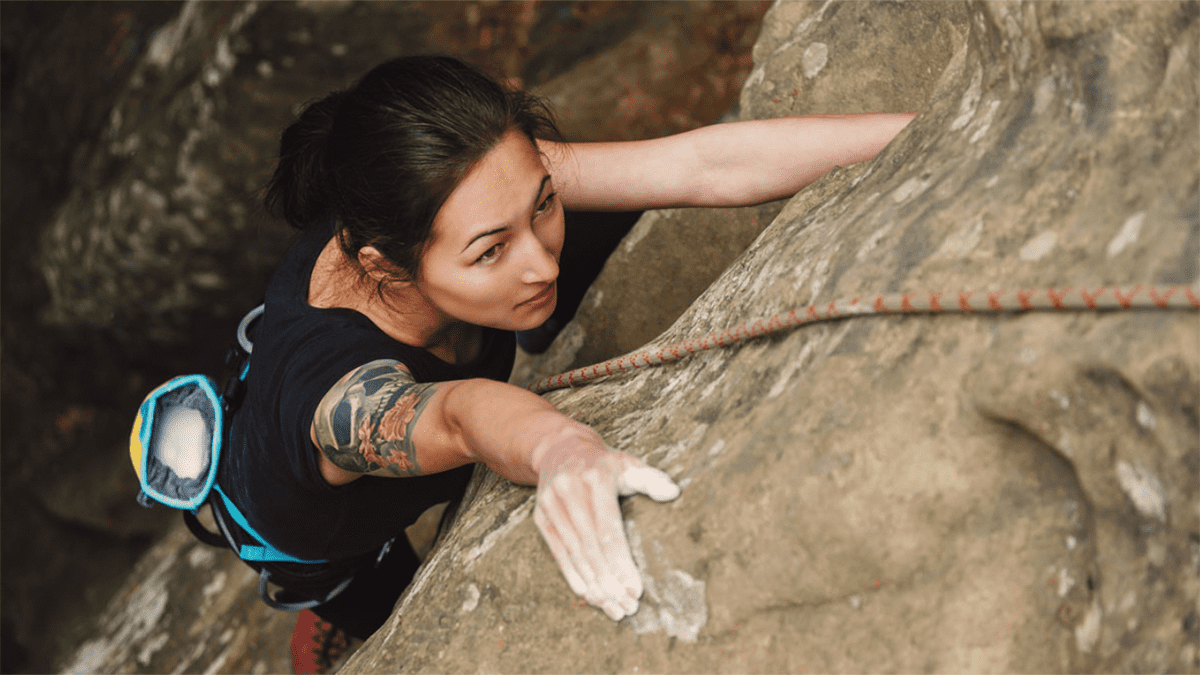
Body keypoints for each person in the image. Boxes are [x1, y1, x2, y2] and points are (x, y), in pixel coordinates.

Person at [218, 54, 913, 664]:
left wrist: (926, 130)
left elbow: (700, 165)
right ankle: (328, 619)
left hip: (423, 313)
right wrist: (560, 447)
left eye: (543, 203)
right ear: (382, 265)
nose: (540, 263)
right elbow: (458, 416)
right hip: (311, 525)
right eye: (491, 250)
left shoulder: (473, 184)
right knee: (381, 605)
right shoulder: (336, 402)